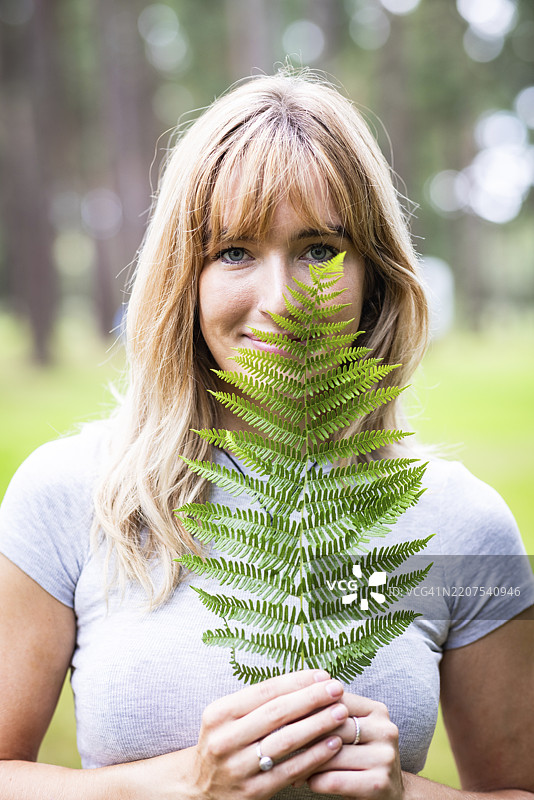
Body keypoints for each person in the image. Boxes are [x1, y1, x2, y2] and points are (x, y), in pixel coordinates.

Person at [0, 69, 533, 800]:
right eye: (235, 252)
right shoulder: (68, 495)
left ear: (376, 275)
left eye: (319, 250)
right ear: (184, 277)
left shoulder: (468, 525)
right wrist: (185, 784)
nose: (281, 303)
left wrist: (407, 795)